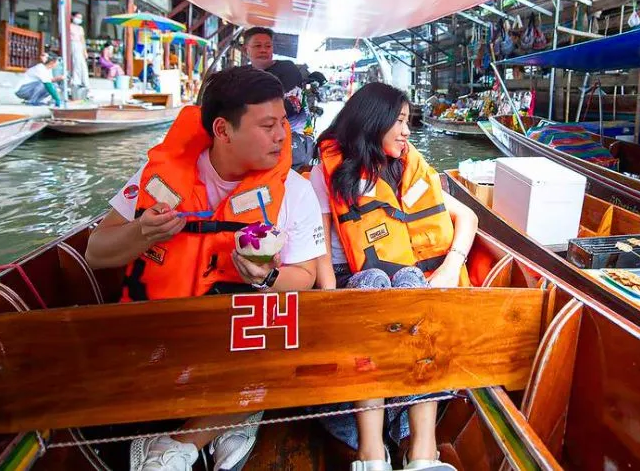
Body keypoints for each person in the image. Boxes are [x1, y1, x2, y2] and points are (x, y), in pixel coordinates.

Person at [84, 67, 326, 471]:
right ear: (223, 130)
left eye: (283, 121)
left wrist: (265, 277)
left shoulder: (294, 192)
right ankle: (236, 416)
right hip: (162, 334)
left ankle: (179, 445)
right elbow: (96, 252)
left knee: (287, 356)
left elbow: (305, 276)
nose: (283, 136)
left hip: (241, 344)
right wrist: (141, 232)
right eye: (268, 125)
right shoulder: (156, 179)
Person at [309, 83, 476, 471]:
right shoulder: (326, 173)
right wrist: (330, 298)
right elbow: (319, 246)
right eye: (398, 122)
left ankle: (423, 452)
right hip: (351, 279)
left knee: (412, 288)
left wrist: (451, 265)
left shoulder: (405, 169)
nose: (406, 131)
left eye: (407, 121)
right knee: (373, 286)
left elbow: (467, 216)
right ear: (372, 121)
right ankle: (371, 454)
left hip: (407, 280)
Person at [241, 27, 314, 165]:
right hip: (255, 138)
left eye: (268, 46)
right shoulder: (242, 75)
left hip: (291, 138)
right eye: (257, 46)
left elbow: (292, 106)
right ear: (246, 50)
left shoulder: (287, 69)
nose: (263, 50)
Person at [69, 12, 89, 97]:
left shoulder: (80, 28)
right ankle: (76, 81)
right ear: (73, 17)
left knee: (82, 65)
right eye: (77, 17)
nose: (79, 19)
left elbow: (82, 39)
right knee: (76, 63)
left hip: (79, 45)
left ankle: (85, 82)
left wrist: (85, 51)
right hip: (73, 44)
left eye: (81, 18)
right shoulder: (69, 26)